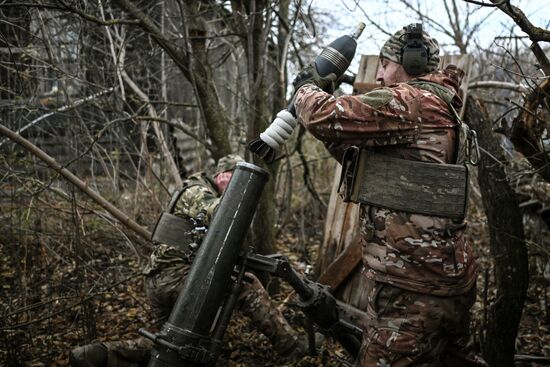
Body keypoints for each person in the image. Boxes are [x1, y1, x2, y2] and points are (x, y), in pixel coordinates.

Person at [292, 24, 486, 366]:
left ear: (410, 62)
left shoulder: (410, 101)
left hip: (411, 289)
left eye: (384, 64)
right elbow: (367, 159)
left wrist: (306, 87)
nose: (380, 76)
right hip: (445, 280)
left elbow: (323, 116)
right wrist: (335, 135)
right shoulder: (441, 107)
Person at [70, 154, 307, 367]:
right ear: (222, 175)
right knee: (246, 286)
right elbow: (220, 215)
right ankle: (294, 348)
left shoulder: (197, 191)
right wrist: (231, 192)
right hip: (175, 277)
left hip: (163, 279)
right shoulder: (196, 192)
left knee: (167, 345)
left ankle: (101, 355)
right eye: (235, 179)